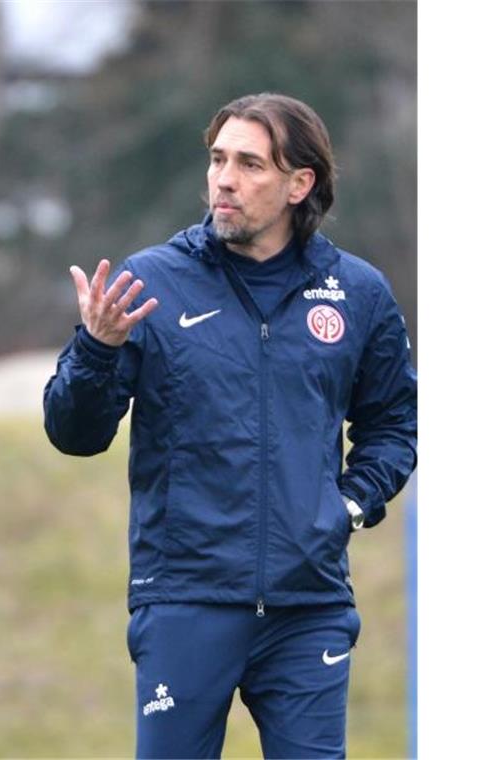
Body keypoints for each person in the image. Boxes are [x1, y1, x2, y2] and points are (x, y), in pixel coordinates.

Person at [43, 93, 416, 758]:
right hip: (186, 599)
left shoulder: (358, 294)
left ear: (300, 183)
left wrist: (349, 505)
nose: (223, 178)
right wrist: (96, 351)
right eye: (218, 159)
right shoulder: (149, 283)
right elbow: (75, 434)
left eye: (249, 164)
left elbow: (394, 425)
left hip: (311, 608)